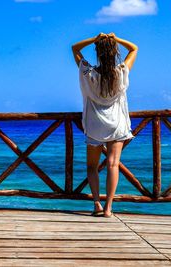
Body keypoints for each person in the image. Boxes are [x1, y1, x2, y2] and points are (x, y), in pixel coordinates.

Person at [71, 33, 138, 217]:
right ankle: (109, 207)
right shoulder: (120, 72)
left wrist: (95, 39)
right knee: (113, 164)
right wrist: (115, 39)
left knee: (92, 167)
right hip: (116, 123)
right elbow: (134, 48)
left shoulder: (88, 73)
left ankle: (96, 204)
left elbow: (75, 49)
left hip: (94, 125)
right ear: (114, 53)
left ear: (98, 54)